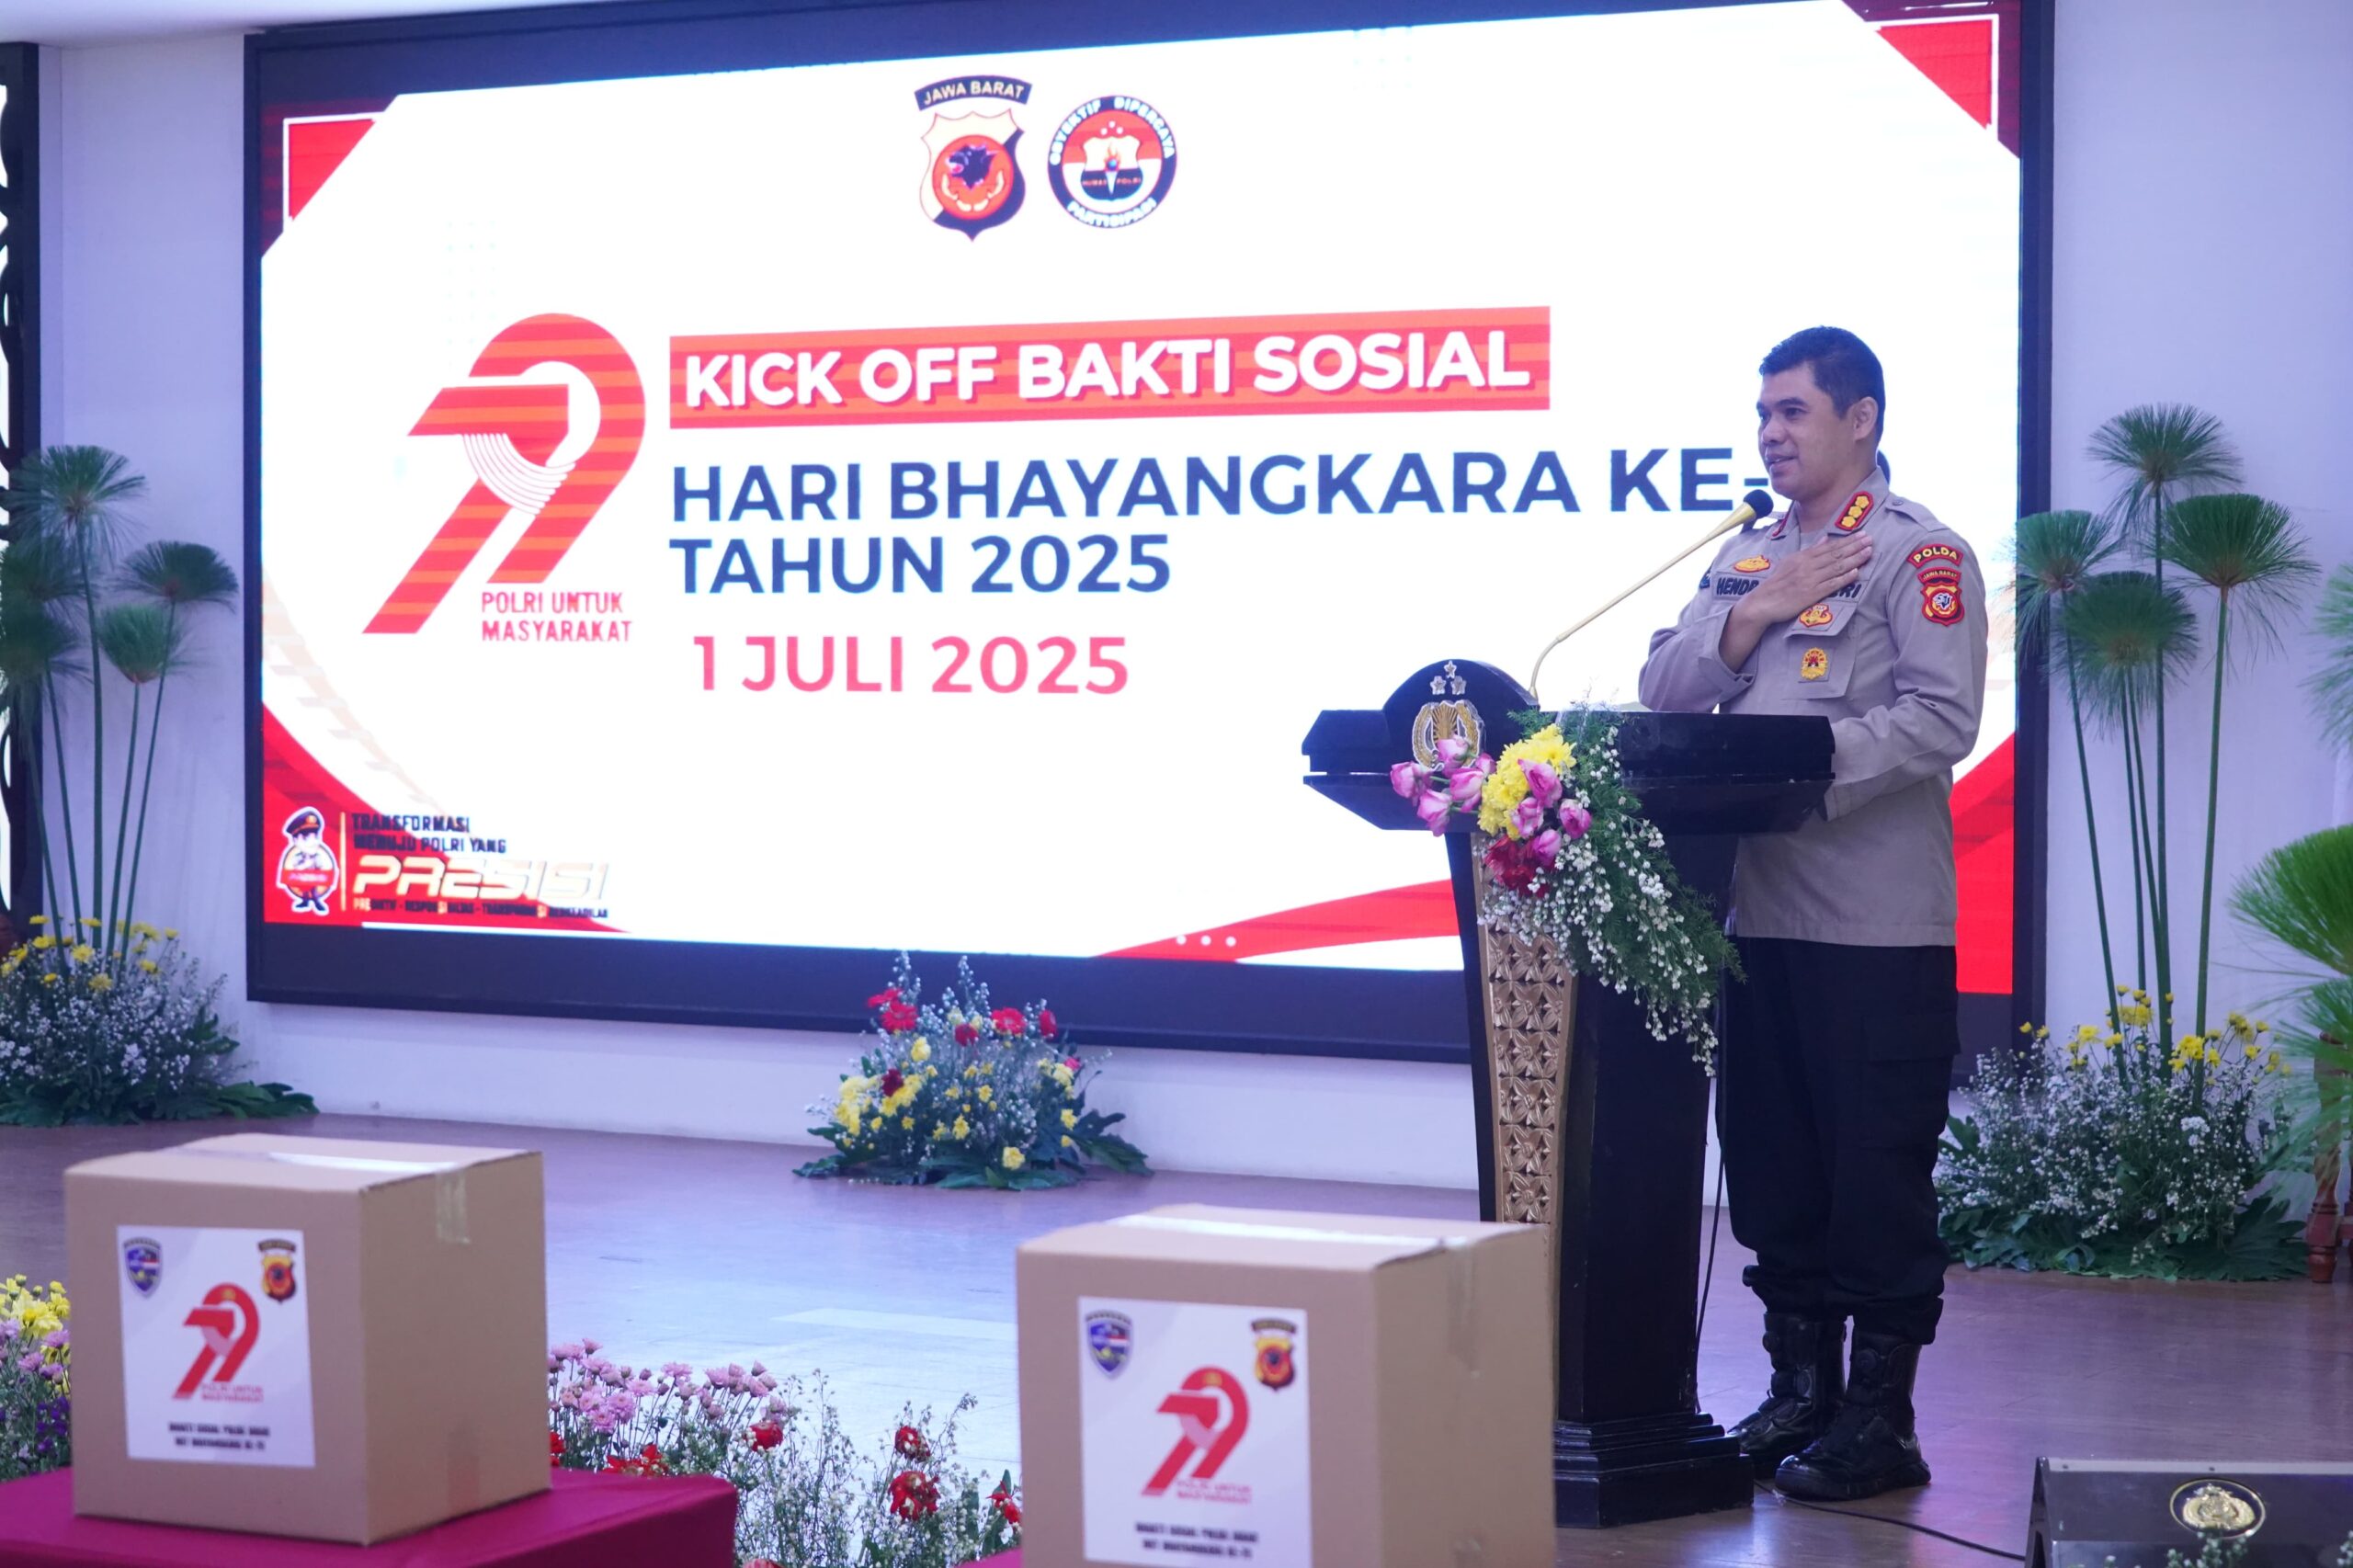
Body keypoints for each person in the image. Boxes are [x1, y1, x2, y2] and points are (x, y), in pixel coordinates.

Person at [1638, 326, 1988, 1502]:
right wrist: (1751, 615)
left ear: (1860, 419)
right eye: (1762, 415)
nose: (1770, 434)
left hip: (1873, 927)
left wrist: (1797, 773)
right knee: (1774, 1167)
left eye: (1792, 411)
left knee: (1874, 1178)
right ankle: (1799, 1393)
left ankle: (1880, 1419)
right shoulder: (1749, 554)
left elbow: (1941, 717)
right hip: (1759, 921)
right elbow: (1663, 686)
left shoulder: (1917, 552)